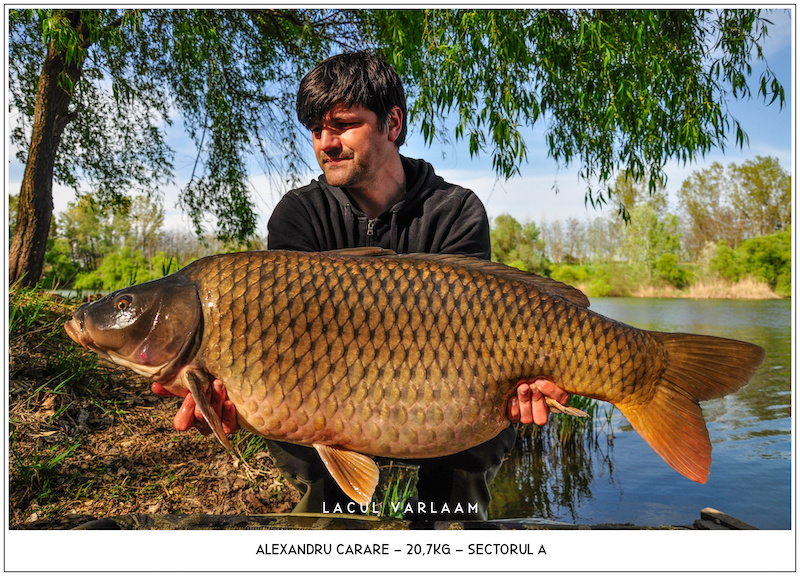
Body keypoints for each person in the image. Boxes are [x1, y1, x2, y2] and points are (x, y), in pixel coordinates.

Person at [154, 51, 569, 520]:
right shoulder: (299, 215)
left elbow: (476, 330)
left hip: (441, 403)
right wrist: (230, 394)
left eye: (343, 125)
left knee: (491, 421)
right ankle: (329, 528)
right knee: (285, 410)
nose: (325, 143)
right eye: (316, 130)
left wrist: (527, 383)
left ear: (392, 123)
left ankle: (448, 530)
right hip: (329, 397)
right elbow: (280, 349)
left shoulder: (455, 210)